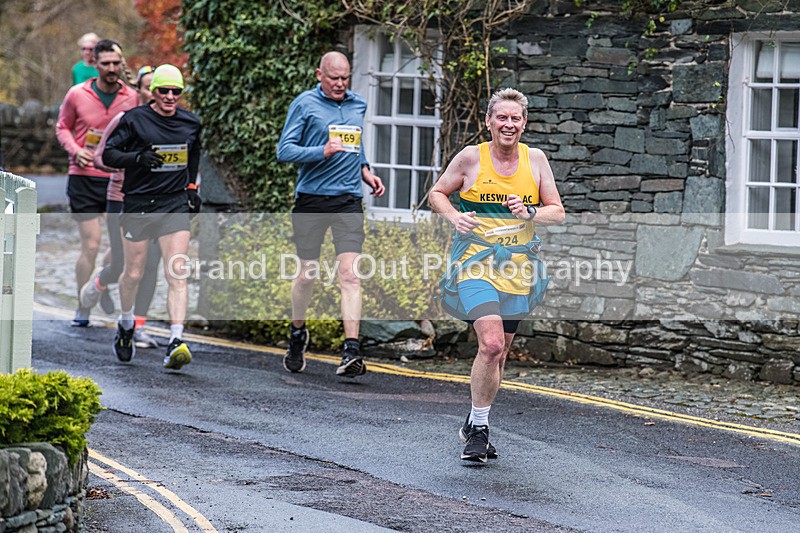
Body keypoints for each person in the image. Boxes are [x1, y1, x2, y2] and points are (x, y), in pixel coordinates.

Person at [429, 88, 565, 463]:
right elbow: (437, 193)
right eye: (501, 117)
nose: (509, 124)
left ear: (524, 123)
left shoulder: (534, 159)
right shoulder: (471, 158)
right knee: (489, 344)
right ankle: (480, 432)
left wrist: (531, 213)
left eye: (515, 118)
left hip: (519, 270)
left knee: (500, 353)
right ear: (488, 121)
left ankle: (474, 420)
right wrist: (454, 216)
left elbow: (558, 211)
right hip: (476, 264)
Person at [277, 51, 385, 378]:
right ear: (319, 74)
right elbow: (285, 150)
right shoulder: (304, 104)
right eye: (334, 78)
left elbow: (355, 142)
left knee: (350, 275)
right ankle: (297, 333)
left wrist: (365, 170)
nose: (340, 84)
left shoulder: (357, 104)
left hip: (348, 200)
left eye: (345, 78)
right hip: (311, 200)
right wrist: (320, 151)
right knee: (307, 275)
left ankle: (351, 350)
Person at [102, 64, 201, 369]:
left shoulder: (191, 122)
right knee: (134, 273)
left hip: (174, 204)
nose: (170, 97)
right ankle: (126, 324)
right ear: (153, 92)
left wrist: (192, 186)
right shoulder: (134, 120)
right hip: (139, 204)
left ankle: (175, 340)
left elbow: (194, 154)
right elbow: (108, 155)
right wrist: (137, 159)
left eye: (176, 91)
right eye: (164, 91)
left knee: (177, 272)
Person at [56, 39, 139, 327]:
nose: (112, 68)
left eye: (116, 63)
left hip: (117, 181)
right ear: (95, 64)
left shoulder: (132, 97)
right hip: (84, 177)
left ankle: (98, 283)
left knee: (118, 250)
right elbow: (62, 127)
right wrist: (76, 150)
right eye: (106, 63)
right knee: (90, 245)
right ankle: (83, 306)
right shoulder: (77, 94)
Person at [81, 65, 163, 349]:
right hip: (122, 198)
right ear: (139, 90)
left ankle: (138, 327)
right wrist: (134, 161)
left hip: (158, 200)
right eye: (150, 87)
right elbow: (100, 158)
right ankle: (99, 284)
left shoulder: (171, 122)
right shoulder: (124, 119)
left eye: (162, 88)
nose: (157, 94)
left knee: (151, 265)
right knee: (121, 265)